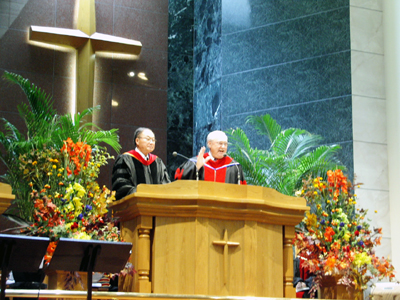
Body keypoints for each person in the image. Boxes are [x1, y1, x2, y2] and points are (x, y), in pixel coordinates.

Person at [112, 127, 171, 200]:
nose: (151, 142)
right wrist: (141, 193)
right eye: (148, 139)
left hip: (156, 206)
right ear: (137, 141)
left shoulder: (158, 162)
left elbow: (166, 185)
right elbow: (121, 185)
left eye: (153, 140)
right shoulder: (125, 160)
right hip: (134, 206)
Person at [174, 130, 246, 184]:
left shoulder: (234, 166)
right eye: (220, 143)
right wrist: (196, 168)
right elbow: (179, 182)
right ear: (209, 144)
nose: (223, 147)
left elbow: (242, 191)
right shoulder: (195, 162)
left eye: (225, 144)